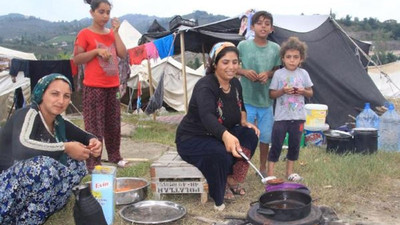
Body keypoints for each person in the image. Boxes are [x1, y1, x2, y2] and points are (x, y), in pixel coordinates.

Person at [0, 73, 102, 224]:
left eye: (66, 96)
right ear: (41, 93)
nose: (61, 101)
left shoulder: (58, 121)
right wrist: (65, 147)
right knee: (42, 166)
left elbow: (86, 136)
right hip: (5, 188)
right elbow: (22, 147)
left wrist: (94, 142)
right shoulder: (28, 113)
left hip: (27, 189)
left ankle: (38, 211)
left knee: (78, 164)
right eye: (55, 94)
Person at [176, 42, 260, 211]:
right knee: (219, 152)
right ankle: (219, 189)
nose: (231, 67)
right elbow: (207, 116)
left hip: (221, 133)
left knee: (250, 135)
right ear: (215, 63)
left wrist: (244, 121)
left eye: (235, 62)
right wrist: (226, 136)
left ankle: (232, 179)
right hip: (193, 138)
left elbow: (241, 106)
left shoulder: (235, 84)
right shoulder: (205, 86)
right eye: (225, 62)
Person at [73, 0, 127, 171]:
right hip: (94, 86)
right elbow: (77, 58)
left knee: (113, 123)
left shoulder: (111, 33)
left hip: (112, 85)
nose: (105, 16)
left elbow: (123, 54)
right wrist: (96, 51)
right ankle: (94, 161)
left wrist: (116, 32)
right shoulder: (85, 34)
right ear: (92, 13)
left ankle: (115, 156)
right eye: (101, 12)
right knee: (94, 125)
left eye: (108, 12)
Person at [237, 10, 281, 178]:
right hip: (246, 99)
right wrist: (244, 71)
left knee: (265, 136)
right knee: (244, 135)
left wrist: (267, 74)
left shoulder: (275, 48)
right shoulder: (243, 46)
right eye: (259, 23)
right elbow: (234, 68)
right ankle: (240, 167)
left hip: (266, 100)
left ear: (272, 28)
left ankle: (262, 167)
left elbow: (276, 70)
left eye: (267, 23)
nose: (263, 26)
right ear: (252, 27)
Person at [268, 36, 313, 182]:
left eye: (295, 57)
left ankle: (290, 172)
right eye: (288, 57)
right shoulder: (278, 74)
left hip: (298, 116)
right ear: (283, 58)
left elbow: (310, 92)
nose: (292, 60)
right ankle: (270, 173)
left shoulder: (304, 74)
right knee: (276, 144)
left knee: (294, 145)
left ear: (301, 59)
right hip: (281, 117)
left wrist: (302, 91)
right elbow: (272, 94)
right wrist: (283, 91)